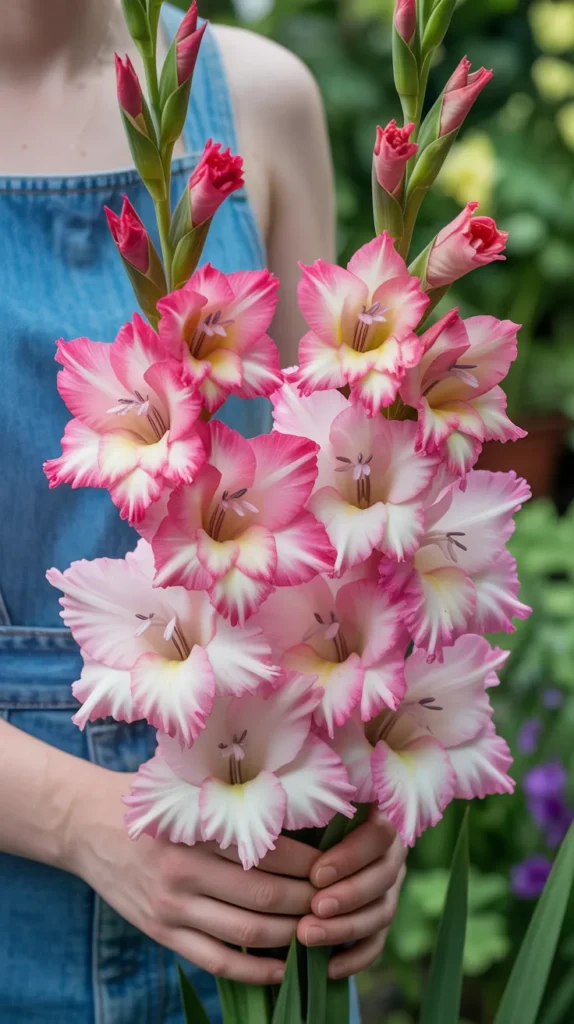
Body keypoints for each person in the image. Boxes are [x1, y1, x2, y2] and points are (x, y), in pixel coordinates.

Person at [0, 1, 406, 1020]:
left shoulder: (262, 106)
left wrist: (365, 811)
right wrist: (84, 820)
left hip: (257, 917)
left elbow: (333, 517)